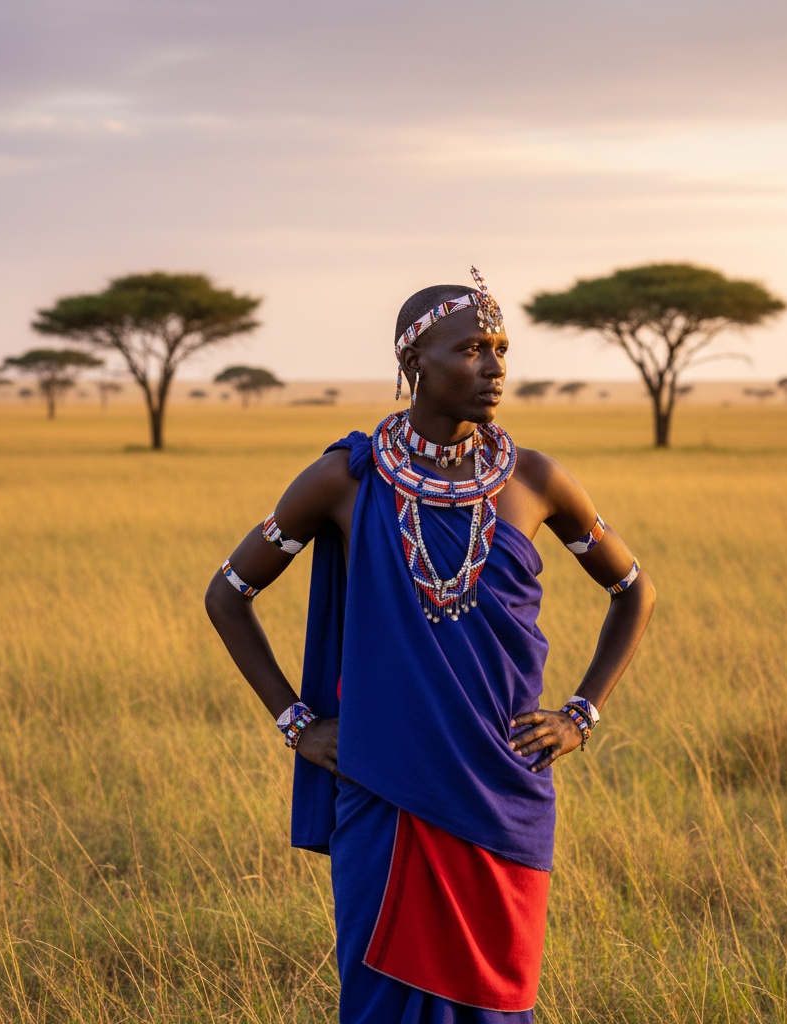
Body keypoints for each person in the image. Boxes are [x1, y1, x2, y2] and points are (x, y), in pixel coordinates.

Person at [205, 268, 656, 1023]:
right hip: (386, 786)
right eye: (472, 348)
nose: (494, 367)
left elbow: (634, 590)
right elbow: (228, 595)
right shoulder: (344, 480)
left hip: (503, 786)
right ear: (414, 362)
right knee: (380, 1000)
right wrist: (296, 723)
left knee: (497, 1000)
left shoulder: (536, 479)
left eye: (502, 349)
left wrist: (580, 717)